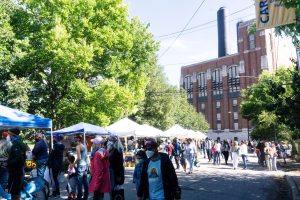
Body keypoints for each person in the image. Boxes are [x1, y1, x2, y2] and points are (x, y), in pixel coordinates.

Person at [7, 128, 27, 200]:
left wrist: (8, 162)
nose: (8, 136)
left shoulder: (16, 144)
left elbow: (18, 158)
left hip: (16, 171)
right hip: (18, 170)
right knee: (16, 191)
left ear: (12, 135)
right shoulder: (19, 142)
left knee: (14, 191)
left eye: (9, 134)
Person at [89, 136, 111, 200]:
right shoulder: (104, 151)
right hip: (103, 179)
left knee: (97, 196)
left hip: (98, 180)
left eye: (93, 143)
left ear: (97, 144)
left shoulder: (97, 154)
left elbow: (98, 170)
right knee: (101, 196)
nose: (92, 145)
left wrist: (96, 184)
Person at [74, 135, 89, 200]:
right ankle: (86, 196)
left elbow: (79, 158)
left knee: (79, 182)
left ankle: (79, 196)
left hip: (80, 165)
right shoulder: (84, 146)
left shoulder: (78, 147)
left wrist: (73, 163)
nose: (74, 141)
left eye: (75, 139)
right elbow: (86, 156)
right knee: (85, 181)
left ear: (77, 139)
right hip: (85, 165)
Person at [0, 132, 12, 199]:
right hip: (5, 164)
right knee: (4, 179)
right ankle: (2, 195)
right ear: (7, 136)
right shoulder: (9, 143)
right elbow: (12, 153)